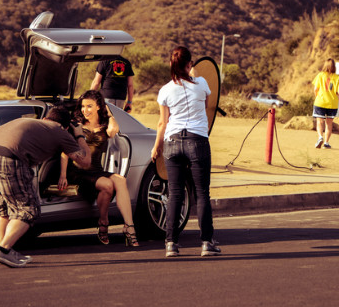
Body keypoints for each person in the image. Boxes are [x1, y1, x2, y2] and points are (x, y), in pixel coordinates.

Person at [0, 108, 91, 268]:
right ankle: (3, 249)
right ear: (66, 127)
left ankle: (5, 251)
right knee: (28, 210)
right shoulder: (60, 131)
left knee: (3, 208)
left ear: (45, 118)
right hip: (8, 158)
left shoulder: (29, 122)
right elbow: (85, 161)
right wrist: (79, 135)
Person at [150, 45, 219, 258]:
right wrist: (193, 73)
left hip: (172, 142)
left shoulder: (165, 90)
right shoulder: (202, 84)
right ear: (190, 64)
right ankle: (206, 243)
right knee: (202, 193)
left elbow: (163, 122)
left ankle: (171, 243)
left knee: (175, 193)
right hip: (197, 140)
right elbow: (208, 105)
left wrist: (156, 146)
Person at [57, 90, 139, 247]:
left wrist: (109, 112)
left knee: (120, 180)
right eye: (82, 106)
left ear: (99, 107)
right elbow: (65, 151)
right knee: (107, 185)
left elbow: (114, 130)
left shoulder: (105, 126)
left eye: (89, 106)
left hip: (96, 171)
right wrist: (62, 175)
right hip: (78, 172)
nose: (84, 110)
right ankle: (104, 221)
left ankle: (129, 227)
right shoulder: (76, 125)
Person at [311, 58, 339, 149]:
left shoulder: (320, 75)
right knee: (329, 124)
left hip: (320, 102)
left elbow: (315, 89)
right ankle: (326, 143)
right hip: (332, 103)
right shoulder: (337, 77)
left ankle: (320, 137)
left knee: (319, 121)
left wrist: (318, 96)